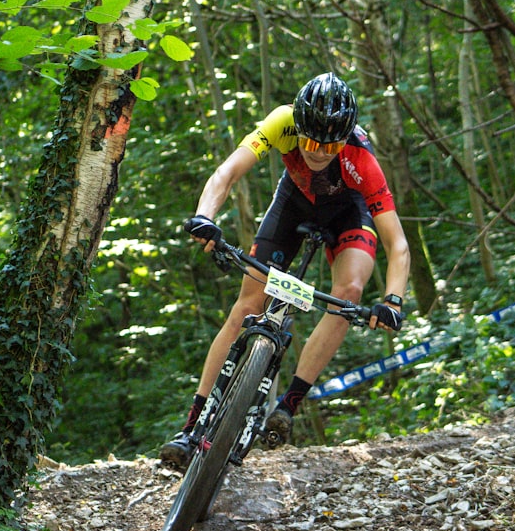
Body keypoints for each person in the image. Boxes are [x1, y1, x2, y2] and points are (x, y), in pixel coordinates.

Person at [160, 72, 411, 466]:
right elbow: (226, 173)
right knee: (247, 307)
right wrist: (204, 217)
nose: (318, 152)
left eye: (330, 146)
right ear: (299, 125)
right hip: (294, 203)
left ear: (344, 140)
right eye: (311, 142)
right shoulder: (282, 120)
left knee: (350, 292)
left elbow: (398, 243)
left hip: (349, 214)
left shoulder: (362, 159)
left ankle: (288, 404)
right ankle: (192, 425)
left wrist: (393, 301)